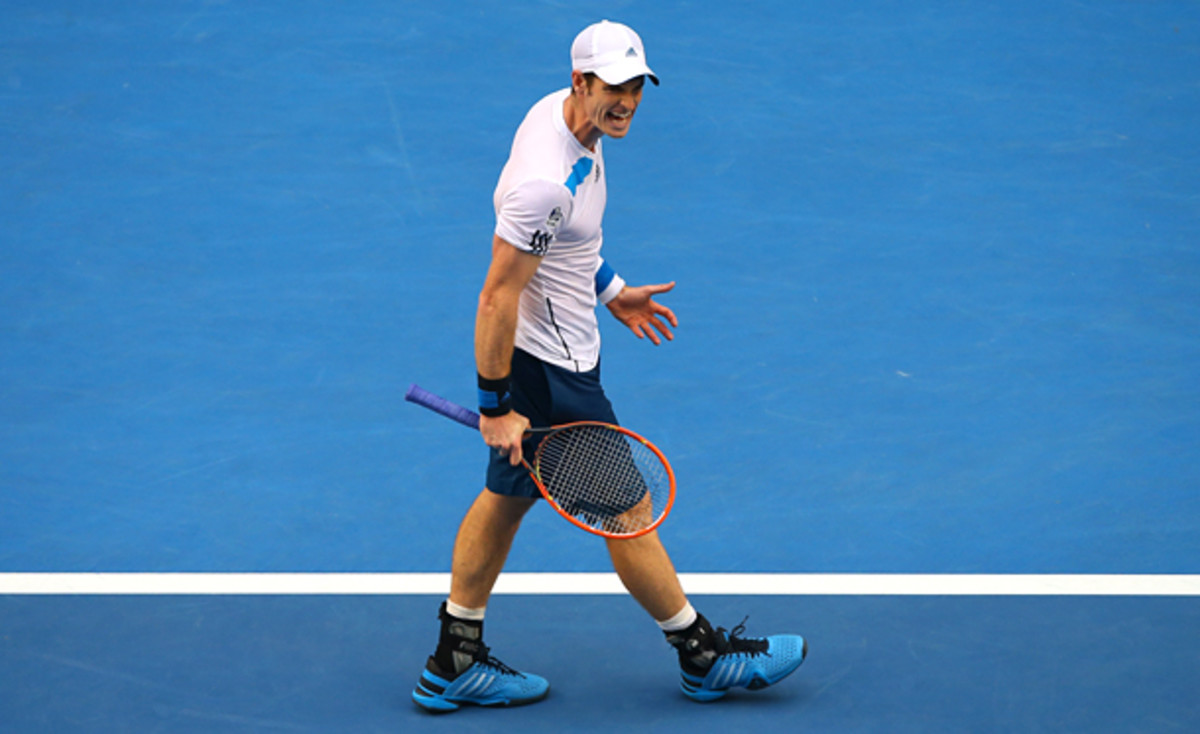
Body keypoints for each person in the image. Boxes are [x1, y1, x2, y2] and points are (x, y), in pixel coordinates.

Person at [412, 20, 807, 713]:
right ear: (580, 83)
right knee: (631, 512)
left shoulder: (568, 127)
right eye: (612, 88)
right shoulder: (546, 182)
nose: (625, 101)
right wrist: (497, 403)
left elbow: (567, 248)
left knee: (506, 498)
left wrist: (612, 290)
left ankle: (455, 656)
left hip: (549, 353)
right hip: (555, 373)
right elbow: (497, 293)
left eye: (635, 88)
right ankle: (701, 656)